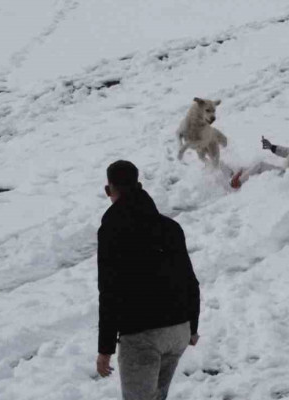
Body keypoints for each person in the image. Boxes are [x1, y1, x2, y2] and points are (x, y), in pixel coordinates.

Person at [96, 160, 201, 400]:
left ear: (108, 190)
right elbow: (189, 280)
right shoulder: (170, 227)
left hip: (141, 335)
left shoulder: (112, 230)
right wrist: (192, 326)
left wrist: (105, 349)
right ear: (139, 185)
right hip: (178, 330)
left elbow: (109, 291)